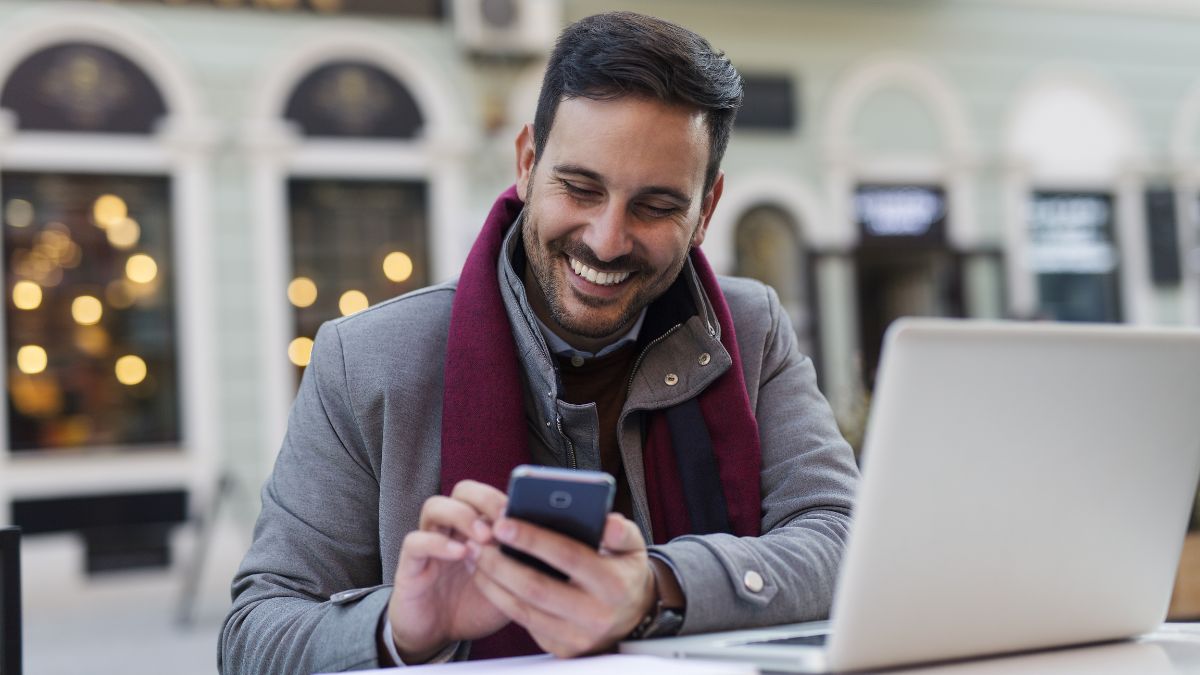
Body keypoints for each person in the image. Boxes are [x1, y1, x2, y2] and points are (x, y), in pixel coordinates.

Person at [219, 11, 858, 674]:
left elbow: (848, 541)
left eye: (657, 206)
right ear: (526, 163)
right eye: (580, 188)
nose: (607, 239)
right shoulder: (365, 360)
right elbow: (252, 637)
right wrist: (402, 629)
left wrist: (656, 588)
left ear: (707, 209)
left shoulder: (752, 329)